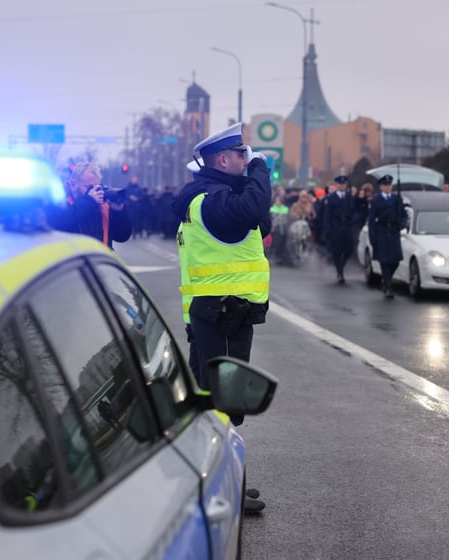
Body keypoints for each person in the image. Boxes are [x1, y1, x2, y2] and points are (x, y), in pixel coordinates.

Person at [173, 122, 271, 514]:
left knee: (213, 402)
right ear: (223, 159)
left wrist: (250, 180)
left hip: (215, 313)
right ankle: (222, 489)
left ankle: (220, 481)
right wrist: (260, 169)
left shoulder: (206, 200)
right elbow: (254, 209)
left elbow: (260, 221)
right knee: (221, 405)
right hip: (224, 312)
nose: (246, 160)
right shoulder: (212, 202)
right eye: (241, 155)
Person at [48, 162, 132, 249]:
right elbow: (60, 222)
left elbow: (122, 236)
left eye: (97, 187)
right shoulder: (59, 201)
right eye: (89, 187)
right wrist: (89, 201)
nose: (94, 191)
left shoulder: (102, 205)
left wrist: (119, 212)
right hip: (73, 257)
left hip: (98, 256)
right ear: (73, 185)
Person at [368, 175, 409, 298]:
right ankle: (388, 286)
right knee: (384, 261)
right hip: (382, 231)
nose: (388, 187)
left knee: (395, 261)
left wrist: (403, 223)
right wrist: (372, 236)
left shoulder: (396, 198)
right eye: (385, 185)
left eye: (389, 185)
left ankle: (386, 280)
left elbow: (404, 214)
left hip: (394, 231)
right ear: (381, 187)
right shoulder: (376, 200)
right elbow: (371, 220)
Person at [323, 175, 356, 283]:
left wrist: (353, 219)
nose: (342, 186)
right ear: (336, 185)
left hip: (346, 225)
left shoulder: (348, 197)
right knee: (336, 251)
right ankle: (340, 272)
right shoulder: (331, 198)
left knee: (348, 250)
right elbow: (327, 215)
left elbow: (353, 210)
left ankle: (341, 267)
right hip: (335, 226)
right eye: (340, 184)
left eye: (343, 184)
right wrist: (328, 229)